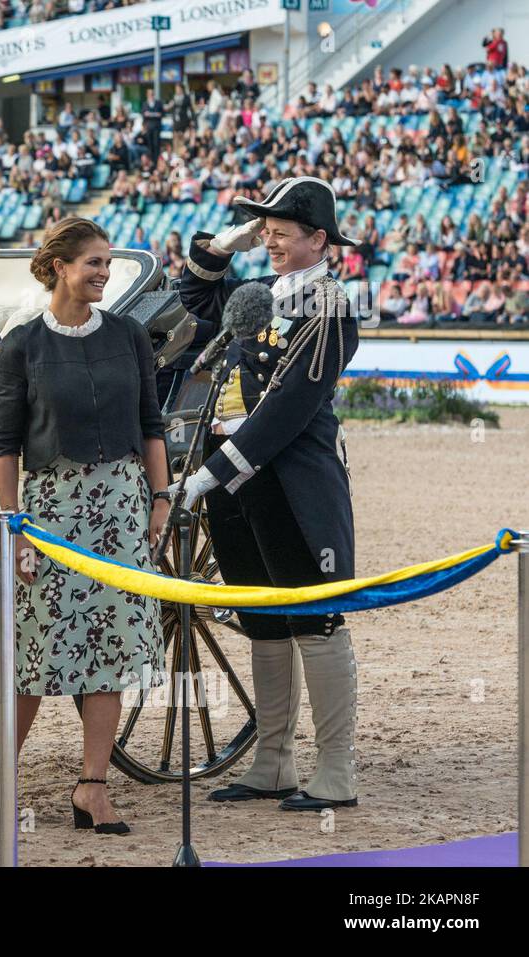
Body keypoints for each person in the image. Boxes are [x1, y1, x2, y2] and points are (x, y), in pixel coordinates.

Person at [0, 217, 171, 834]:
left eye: (107, 263)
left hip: (121, 506)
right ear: (59, 265)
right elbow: (4, 445)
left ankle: (93, 787)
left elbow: (151, 424)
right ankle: (2, 781)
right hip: (47, 512)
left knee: (112, 646)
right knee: (34, 651)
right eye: (93, 262)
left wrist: (161, 500)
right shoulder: (22, 346)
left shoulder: (131, 335)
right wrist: (14, 523)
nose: (104, 273)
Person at [176, 176, 360, 812]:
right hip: (238, 484)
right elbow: (189, 300)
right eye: (267, 230)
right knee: (263, 619)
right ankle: (273, 762)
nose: (272, 240)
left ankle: (336, 770)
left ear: (320, 240)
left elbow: (287, 409)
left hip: (293, 483)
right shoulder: (256, 295)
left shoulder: (332, 305)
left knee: (314, 617)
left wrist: (211, 472)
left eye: (285, 231)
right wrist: (223, 245)